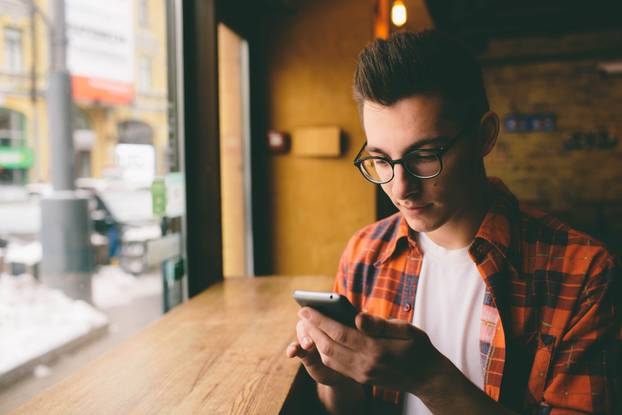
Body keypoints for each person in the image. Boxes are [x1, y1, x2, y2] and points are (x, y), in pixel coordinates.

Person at [285, 30, 621, 414]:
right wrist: (337, 379)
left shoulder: (584, 272)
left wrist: (431, 380)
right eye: (380, 160)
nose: (400, 188)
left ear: (484, 136)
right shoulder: (365, 252)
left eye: (424, 156)